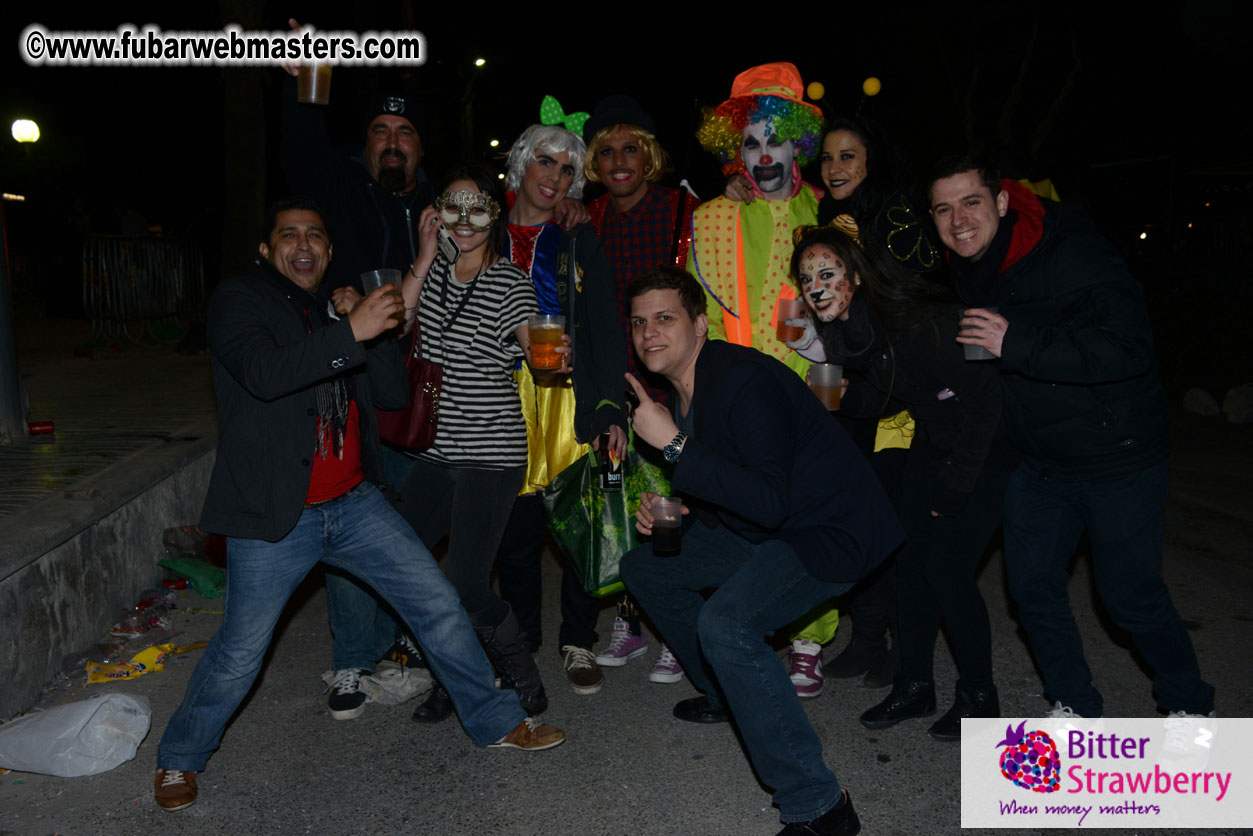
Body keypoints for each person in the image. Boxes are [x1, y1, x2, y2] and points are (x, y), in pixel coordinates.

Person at [151, 198, 564, 813]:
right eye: (288, 234)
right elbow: (266, 373)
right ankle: (178, 759)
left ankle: (496, 721)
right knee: (240, 651)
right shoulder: (241, 301)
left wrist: (377, 331)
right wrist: (351, 331)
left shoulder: (333, 305)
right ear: (266, 251)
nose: (303, 244)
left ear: (329, 250)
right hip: (276, 513)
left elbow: (393, 393)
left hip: (352, 503)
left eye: (315, 234)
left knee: (439, 604)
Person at [928, 156, 1215, 719]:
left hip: (1117, 456)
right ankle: (1073, 703)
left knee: (1129, 597)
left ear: (1002, 202)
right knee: (1032, 589)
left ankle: (1188, 704)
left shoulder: (1070, 253)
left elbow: (1129, 349)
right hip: (1041, 460)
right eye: (943, 208)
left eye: (971, 202)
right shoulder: (972, 267)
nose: (958, 219)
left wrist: (1019, 344)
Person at [619, 266, 901, 835]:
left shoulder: (744, 380)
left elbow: (769, 500)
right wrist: (676, 509)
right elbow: (732, 479)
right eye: (639, 322)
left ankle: (820, 805)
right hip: (766, 525)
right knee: (643, 568)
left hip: (826, 531)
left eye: (665, 318)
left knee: (728, 624)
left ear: (700, 325)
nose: (650, 332)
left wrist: (673, 444)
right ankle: (729, 693)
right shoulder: (682, 389)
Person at [335, 167, 553, 722]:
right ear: (438, 213)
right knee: (407, 564)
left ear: (494, 214)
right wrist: (426, 252)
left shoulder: (510, 282)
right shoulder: (428, 272)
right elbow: (393, 320)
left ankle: (520, 674)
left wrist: (545, 348)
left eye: (476, 207)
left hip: (491, 453)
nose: (464, 220)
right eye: (452, 208)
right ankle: (455, 676)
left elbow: (532, 332)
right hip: (434, 450)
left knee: (465, 579)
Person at [788, 226, 1014, 740]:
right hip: (934, 444)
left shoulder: (917, 325)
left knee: (948, 571)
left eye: (828, 274)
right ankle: (915, 686)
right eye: (806, 280)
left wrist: (955, 487)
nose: (816, 288)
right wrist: (843, 397)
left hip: (986, 450)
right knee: (908, 566)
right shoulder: (851, 333)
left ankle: (980, 696)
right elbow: (892, 395)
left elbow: (986, 404)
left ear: (858, 276)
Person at [687, 62, 839, 697]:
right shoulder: (712, 219)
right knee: (742, 517)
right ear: (736, 152)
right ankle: (748, 626)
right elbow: (704, 312)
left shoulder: (822, 212)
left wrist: (825, 385)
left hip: (805, 391)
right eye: (750, 143)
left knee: (810, 517)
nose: (764, 154)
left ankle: (810, 639)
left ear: (797, 145)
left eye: (776, 139)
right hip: (736, 394)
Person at [495, 123, 629, 696]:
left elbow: (604, 322)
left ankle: (578, 639)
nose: (554, 177)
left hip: (568, 399)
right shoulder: (483, 233)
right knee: (514, 536)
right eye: (544, 162)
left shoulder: (579, 237)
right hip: (501, 401)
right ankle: (521, 640)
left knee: (579, 528)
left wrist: (610, 408)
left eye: (567, 168)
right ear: (522, 164)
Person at [581, 94, 701, 683]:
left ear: (649, 156)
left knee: (672, 498)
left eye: (631, 149)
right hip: (614, 380)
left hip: (673, 377)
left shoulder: (685, 208)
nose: (619, 160)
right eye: (606, 151)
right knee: (621, 502)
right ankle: (630, 615)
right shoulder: (587, 217)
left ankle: (677, 626)